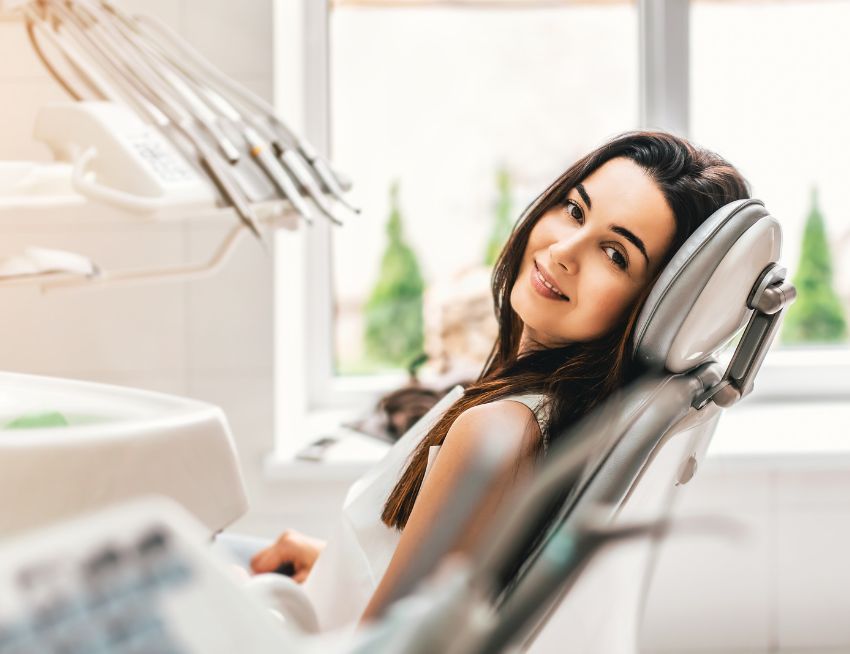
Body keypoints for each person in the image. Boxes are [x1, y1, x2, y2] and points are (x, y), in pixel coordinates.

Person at [244, 130, 751, 632]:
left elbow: (384, 649)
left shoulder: (499, 433)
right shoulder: (557, 419)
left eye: (615, 254)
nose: (564, 250)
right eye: (575, 210)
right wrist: (332, 569)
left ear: (652, 306)